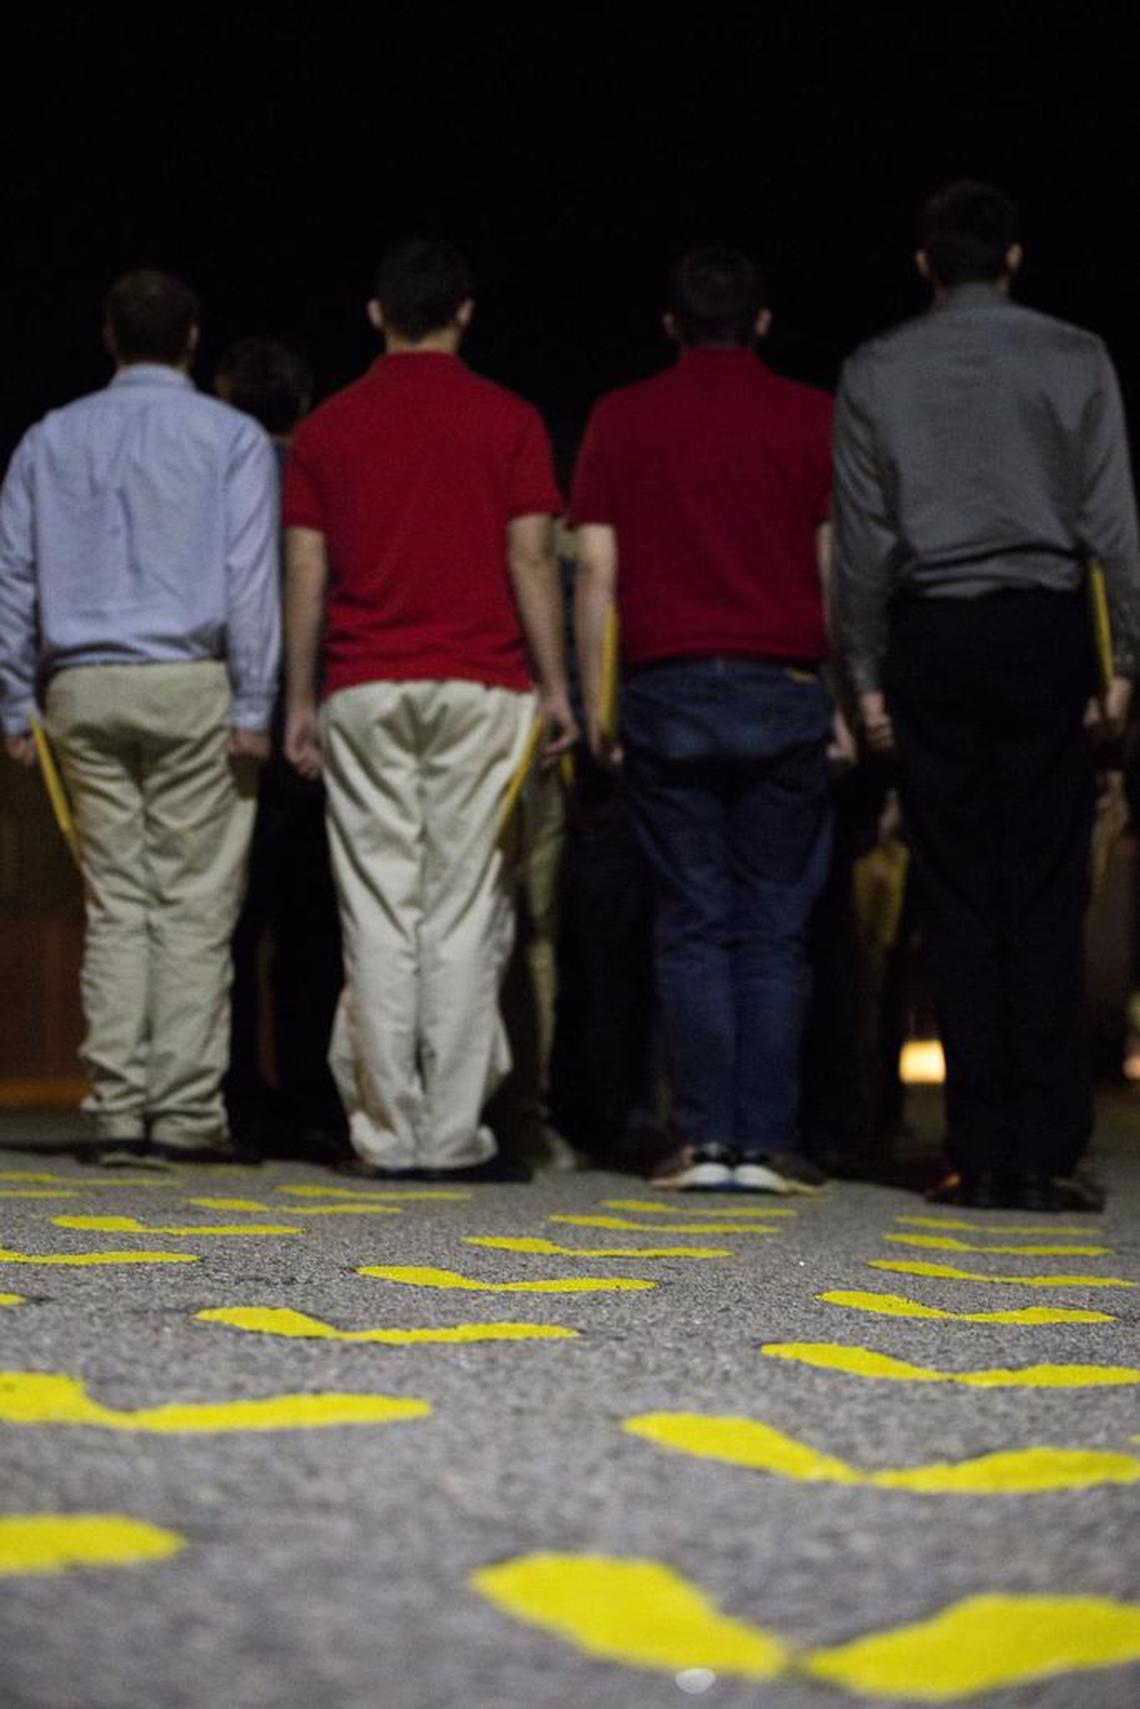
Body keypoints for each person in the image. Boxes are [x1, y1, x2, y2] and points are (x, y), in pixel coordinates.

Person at [833, 180, 1140, 1211]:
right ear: (1014, 258)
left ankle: (977, 1146)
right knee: (1046, 893)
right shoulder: (1076, 354)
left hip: (934, 632)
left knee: (959, 897)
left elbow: (864, 547)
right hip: (1044, 628)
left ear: (926, 264)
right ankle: (1045, 1149)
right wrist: (1124, 665)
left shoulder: (875, 368)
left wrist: (865, 675)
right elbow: (1113, 525)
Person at [283, 238, 576, 1181]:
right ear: (466, 312)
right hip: (481, 682)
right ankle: (450, 1133)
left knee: (376, 907)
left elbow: (305, 573)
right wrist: (557, 684)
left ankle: (383, 1129)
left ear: (375, 314)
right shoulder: (511, 419)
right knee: (461, 908)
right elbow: (533, 558)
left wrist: (298, 698)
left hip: (364, 685)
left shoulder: (327, 428)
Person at [0, 270, 280, 1164]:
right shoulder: (230, 436)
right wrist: (256, 700)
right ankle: (187, 1111)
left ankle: (119, 1107)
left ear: (107, 335)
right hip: (191, 678)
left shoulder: (49, 439)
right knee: (195, 907)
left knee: (117, 903)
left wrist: (13, 697)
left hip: (81, 685)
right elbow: (249, 581)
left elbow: (15, 578)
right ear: (193, 338)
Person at [573, 247, 835, 1193]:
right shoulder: (812, 415)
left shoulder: (622, 417)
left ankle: (704, 1141)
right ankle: (765, 1139)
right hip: (782, 684)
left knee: (690, 921)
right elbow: (832, 565)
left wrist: (595, 695)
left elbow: (597, 572)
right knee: (773, 925)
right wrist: (842, 688)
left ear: (670, 324)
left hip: (668, 685)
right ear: (761, 323)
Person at [213, 339, 347, 1161]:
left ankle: (235, 1096)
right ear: (305, 402)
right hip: (315, 715)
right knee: (313, 931)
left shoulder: (216, 470)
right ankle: (309, 1098)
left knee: (227, 923)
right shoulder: (321, 469)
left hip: (228, 715)